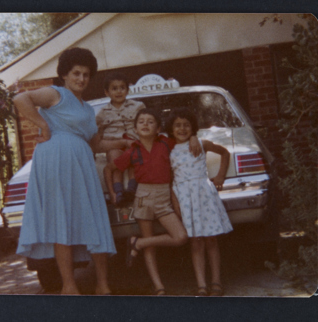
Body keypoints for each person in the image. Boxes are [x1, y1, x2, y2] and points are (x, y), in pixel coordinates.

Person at [14, 47, 127, 295]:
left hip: (81, 162)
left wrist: (123, 143)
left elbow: (95, 144)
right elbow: (21, 99)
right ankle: (69, 285)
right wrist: (43, 125)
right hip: (54, 160)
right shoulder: (56, 94)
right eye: (76, 73)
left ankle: (102, 284)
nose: (82, 79)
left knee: (94, 218)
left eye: (86, 74)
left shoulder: (87, 109)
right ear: (65, 74)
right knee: (60, 219)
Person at [103, 108, 200, 296]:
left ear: (158, 128)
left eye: (150, 121)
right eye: (141, 122)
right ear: (135, 128)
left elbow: (184, 140)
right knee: (152, 247)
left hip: (164, 198)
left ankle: (137, 243)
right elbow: (109, 168)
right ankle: (158, 286)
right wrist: (113, 193)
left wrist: (194, 137)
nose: (145, 124)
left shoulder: (166, 143)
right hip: (143, 197)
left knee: (180, 237)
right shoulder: (132, 151)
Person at [165, 108, 233, 296]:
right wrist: (175, 201)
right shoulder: (169, 150)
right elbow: (170, 179)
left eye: (186, 125)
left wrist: (220, 176)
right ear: (171, 129)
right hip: (185, 198)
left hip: (204, 195)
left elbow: (225, 152)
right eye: (177, 125)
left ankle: (216, 282)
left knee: (211, 240)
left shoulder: (201, 144)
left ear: (193, 128)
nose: (182, 128)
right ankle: (201, 285)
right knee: (196, 242)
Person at [96, 72, 146, 206]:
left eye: (122, 88)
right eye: (114, 88)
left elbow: (146, 125)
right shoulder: (102, 113)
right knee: (115, 160)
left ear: (127, 90)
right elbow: (98, 135)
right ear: (107, 92)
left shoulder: (138, 106)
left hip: (133, 142)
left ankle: (132, 189)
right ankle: (118, 192)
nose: (119, 91)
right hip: (114, 145)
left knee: (134, 159)